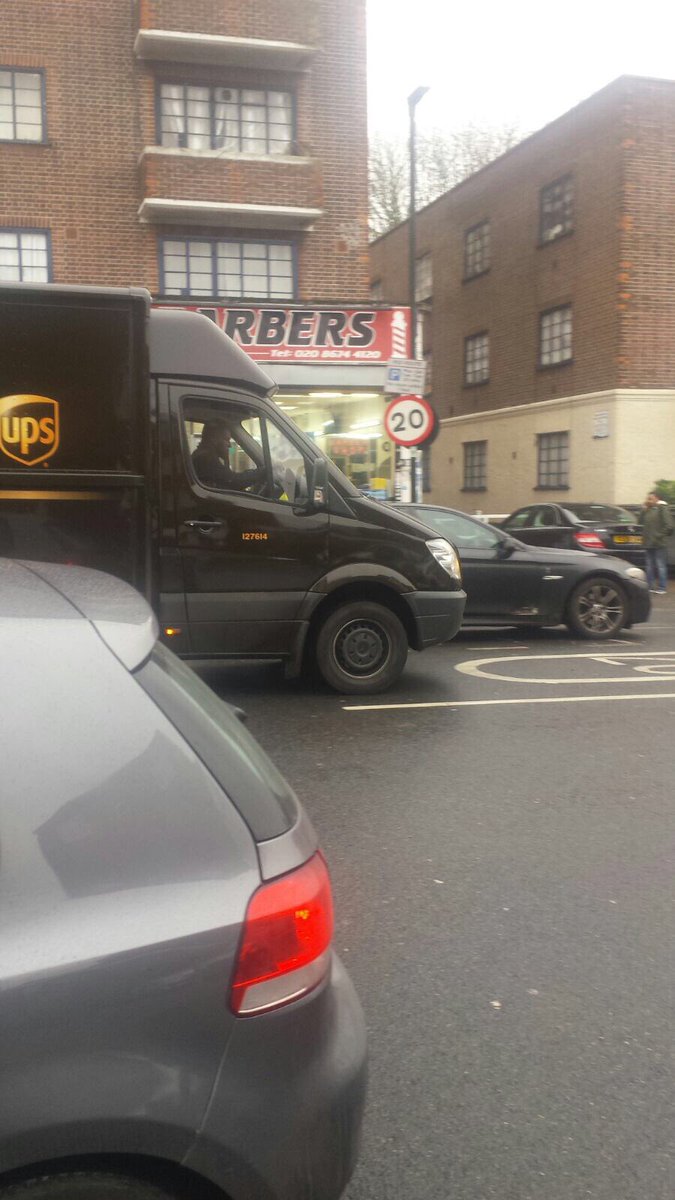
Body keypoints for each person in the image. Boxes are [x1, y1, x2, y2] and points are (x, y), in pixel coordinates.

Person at [191, 419, 264, 492]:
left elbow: (227, 481)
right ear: (214, 439)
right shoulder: (205, 459)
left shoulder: (201, 455)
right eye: (226, 440)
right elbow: (233, 482)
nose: (229, 445)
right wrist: (261, 472)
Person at [637, 490, 673, 594]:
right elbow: (639, 523)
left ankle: (662, 587)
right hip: (648, 542)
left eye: (650, 498)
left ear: (657, 498)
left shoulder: (662, 509)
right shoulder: (648, 510)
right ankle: (650, 586)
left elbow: (669, 526)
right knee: (649, 565)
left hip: (659, 543)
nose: (648, 500)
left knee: (660, 565)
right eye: (648, 498)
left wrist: (659, 535)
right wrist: (643, 510)